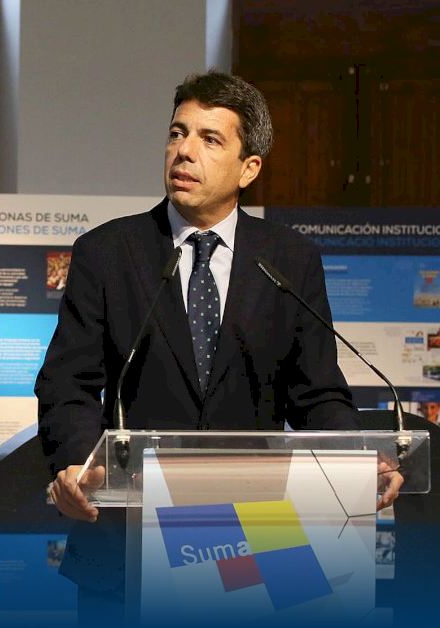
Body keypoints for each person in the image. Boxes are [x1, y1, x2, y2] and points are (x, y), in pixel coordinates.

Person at [34, 71, 402, 616]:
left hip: (258, 534)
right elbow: (69, 385)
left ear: (248, 168)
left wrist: (356, 458)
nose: (184, 151)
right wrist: (80, 464)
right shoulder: (107, 252)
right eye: (177, 133)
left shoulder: (289, 260)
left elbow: (317, 393)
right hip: (127, 536)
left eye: (209, 139)